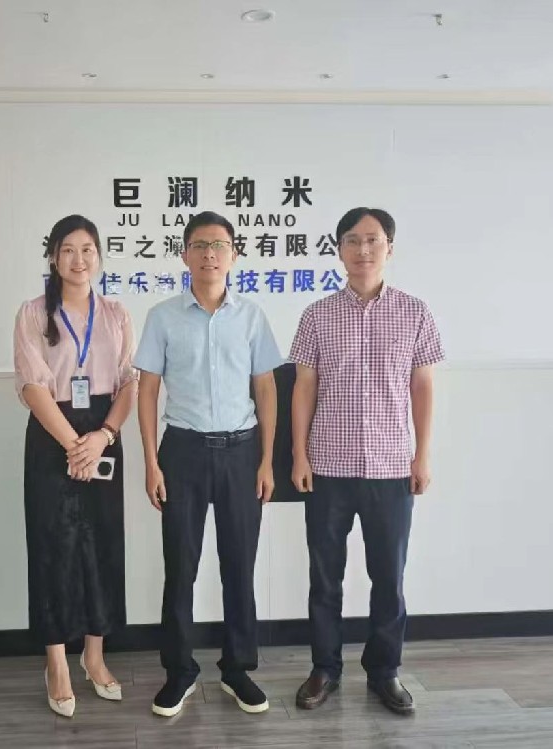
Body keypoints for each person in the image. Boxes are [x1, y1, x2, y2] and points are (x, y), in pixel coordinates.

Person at [289, 207, 444, 715]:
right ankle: (324, 669)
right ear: (339, 250)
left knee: (389, 578)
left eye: (373, 240)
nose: (363, 249)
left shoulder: (415, 312)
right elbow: (304, 387)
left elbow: (423, 385)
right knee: (324, 577)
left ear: (389, 248)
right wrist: (299, 454)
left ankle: (385, 671)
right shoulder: (317, 315)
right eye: (353, 240)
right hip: (328, 467)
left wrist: (421, 456)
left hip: (391, 467)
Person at [134, 210, 284, 717]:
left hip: (242, 453)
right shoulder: (163, 316)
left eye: (219, 245)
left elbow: (266, 388)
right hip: (183, 452)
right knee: (181, 567)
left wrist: (266, 461)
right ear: (184, 254)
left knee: (239, 566)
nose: (209, 254)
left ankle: (238, 670)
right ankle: (179, 671)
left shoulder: (251, 316)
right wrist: (152, 463)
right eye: (199, 245)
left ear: (234, 254)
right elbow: (148, 390)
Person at [14, 214, 137, 718]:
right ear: (53, 257)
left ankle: (94, 655)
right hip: (52, 437)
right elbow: (32, 386)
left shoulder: (116, 314)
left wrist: (102, 437)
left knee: (101, 545)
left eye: (88, 249)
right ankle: (56, 663)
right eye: (68, 249)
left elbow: (129, 382)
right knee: (53, 548)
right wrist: (73, 445)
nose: (79, 259)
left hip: (104, 432)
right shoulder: (32, 313)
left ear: (99, 256)